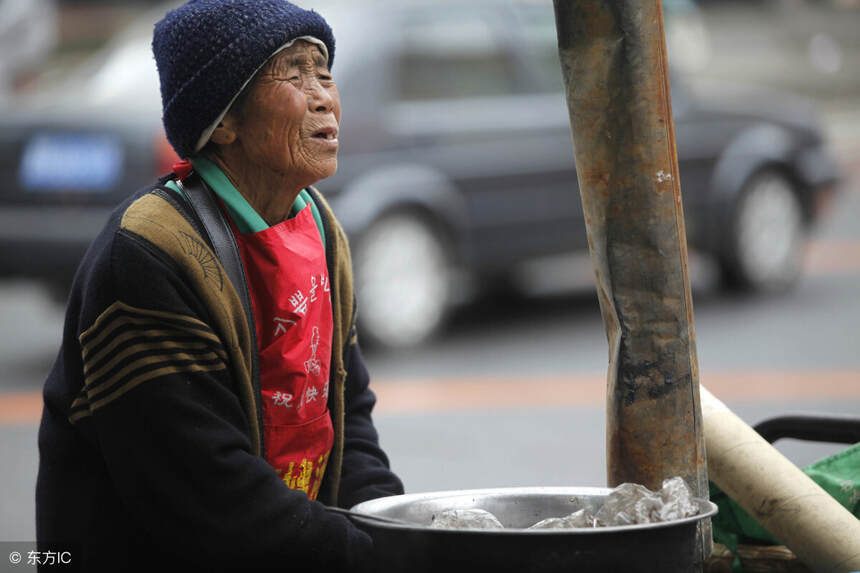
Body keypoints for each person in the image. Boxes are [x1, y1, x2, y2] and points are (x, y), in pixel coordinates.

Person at [35, 1, 404, 571]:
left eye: (324, 71)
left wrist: (393, 524)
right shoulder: (151, 252)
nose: (324, 95)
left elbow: (348, 413)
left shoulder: (321, 229)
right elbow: (207, 495)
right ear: (222, 122)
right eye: (294, 73)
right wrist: (377, 557)